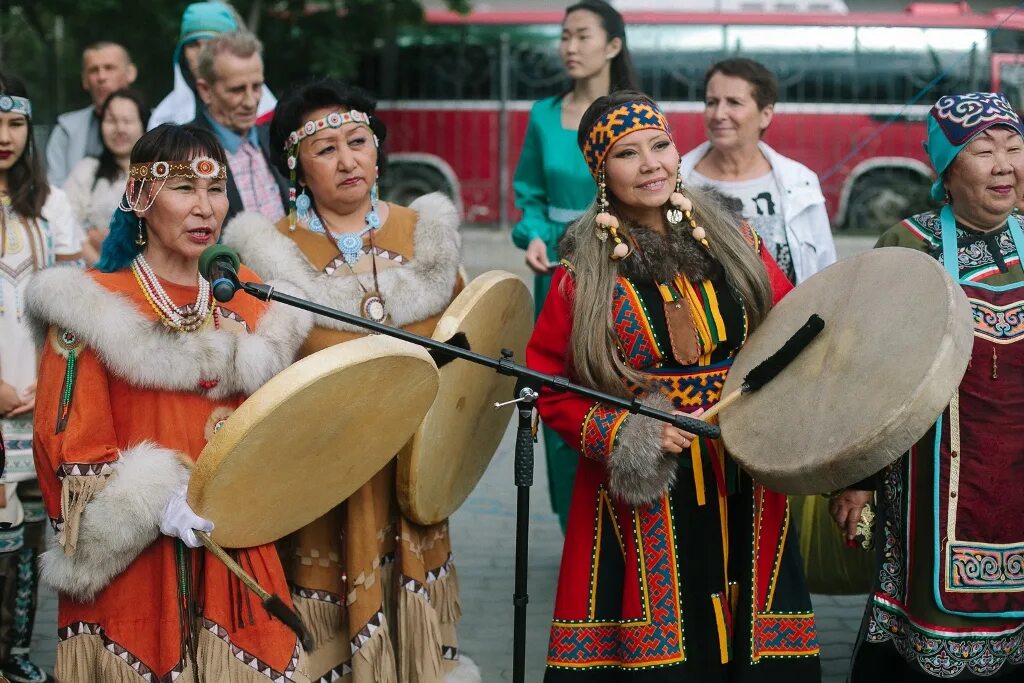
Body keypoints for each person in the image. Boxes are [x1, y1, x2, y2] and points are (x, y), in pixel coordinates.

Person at [527, 90, 821, 681]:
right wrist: (628, 431)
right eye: (627, 154)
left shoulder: (736, 241)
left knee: (753, 621)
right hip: (649, 487)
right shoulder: (580, 275)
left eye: (660, 145)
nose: (651, 164)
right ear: (600, 172)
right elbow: (547, 384)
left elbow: (792, 329)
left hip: (745, 468)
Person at [27, 124, 314, 681]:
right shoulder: (93, 306)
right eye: (184, 187)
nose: (204, 207)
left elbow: (285, 424)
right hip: (136, 560)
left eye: (216, 188)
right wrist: (151, 497)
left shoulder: (256, 300)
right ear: (138, 197)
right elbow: (66, 443)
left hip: (236, 543)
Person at [224, 79, 480, 683]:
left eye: (358, 142)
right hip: (319, 472)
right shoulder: (270, 254)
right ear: (296, 165)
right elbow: (258, 376)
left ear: (376, 149)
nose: (348, 161)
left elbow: (468, 352)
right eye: (326, 148)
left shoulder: (427, 235)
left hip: (412, 466)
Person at [833, 92, 1024, 681]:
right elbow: (863, 370)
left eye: (1014, 148)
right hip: (928, 481)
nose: (1005, 166)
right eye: (982, 151)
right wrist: (858, 481)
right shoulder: (906, 245)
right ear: (946, 168)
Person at [511, 0, 638, 533]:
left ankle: (633, 520)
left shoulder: (632, 116)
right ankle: (578, 530)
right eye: (564, 36)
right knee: (561, 399)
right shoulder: (543, 115)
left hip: (625, 276)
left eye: (582, 36)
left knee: (625, 391)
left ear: (612, 45)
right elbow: (531, 196)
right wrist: (534, 235)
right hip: (559, 278)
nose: (569, 46)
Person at [0, 71, 82, 683]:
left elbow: (70, 308)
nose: (4, 135)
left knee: (31, 541)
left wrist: (54, 380)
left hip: (39, 399)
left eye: (15, 122)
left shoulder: (50, 205)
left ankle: (19, 657)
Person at [680, 58, 836, 286]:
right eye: (712, 102)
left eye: (734, 102)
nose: (718, 114)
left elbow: (826, 270)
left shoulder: (800, 182)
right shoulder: (678, 181)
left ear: (766, 114)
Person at [191, 32, 288, 224]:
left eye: (257, 86)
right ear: (205, 90)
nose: (251, 102)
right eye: (237, 90)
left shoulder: (277, 137)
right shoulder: (184, 151)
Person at [149, 1, 276, 130]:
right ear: (182, 52)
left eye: (211, 43)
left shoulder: (273, 118)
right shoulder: (164, 119)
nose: (202, 53)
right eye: (193, 45)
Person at [63, 89, 149, 265]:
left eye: (128, 121)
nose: (119, 129)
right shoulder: (87, 170)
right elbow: (66, 222)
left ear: (144, 123)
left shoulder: (159, 173)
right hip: (94, 275)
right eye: (111, 120)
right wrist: (102, 268)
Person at [45, 42, 137, 187]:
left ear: (130, 73)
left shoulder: (158, 123)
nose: (101, 77)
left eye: (109, 68)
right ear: (85, 81)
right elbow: (55, 189)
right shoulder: (65, 131)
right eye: (94, 70)